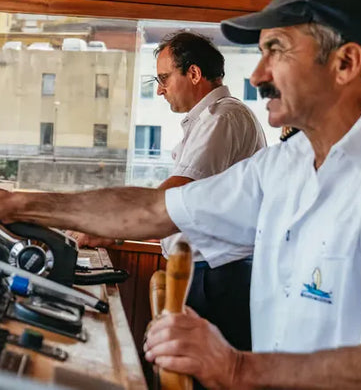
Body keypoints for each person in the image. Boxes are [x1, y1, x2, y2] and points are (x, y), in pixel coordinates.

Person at [0, 0, 361, 389]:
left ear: (345, 63)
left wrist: (237, 367)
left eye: (277, 51)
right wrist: (7, 202)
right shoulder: (289, 165)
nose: (257, 75)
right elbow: (153, 210)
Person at [72, 31, 265, 351]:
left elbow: (174, 197)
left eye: (164, 78)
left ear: (193, 73)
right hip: (208, 271)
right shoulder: (210, 119)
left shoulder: (223, 118)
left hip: (219, 275)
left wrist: (109, 224)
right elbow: (186, 207)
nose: (160, 90)